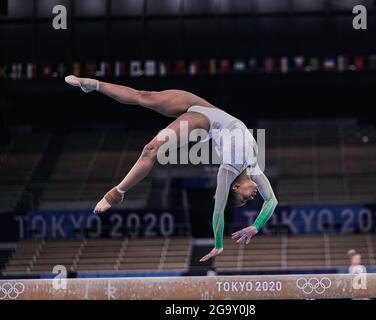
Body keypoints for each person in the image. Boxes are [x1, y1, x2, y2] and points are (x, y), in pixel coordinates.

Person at [64, 75, 278, 262]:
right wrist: (255, 226)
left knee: (150, 150)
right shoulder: (254, 167)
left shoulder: (227, 171)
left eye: (246, 199)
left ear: (234, 188)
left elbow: (218, 210)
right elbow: (272, 201)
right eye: (248, 199)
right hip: (208, 108)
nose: (253, 197)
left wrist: (219, 243)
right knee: (144, 96)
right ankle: (92, 85)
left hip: (206, 122)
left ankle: (117, 193)